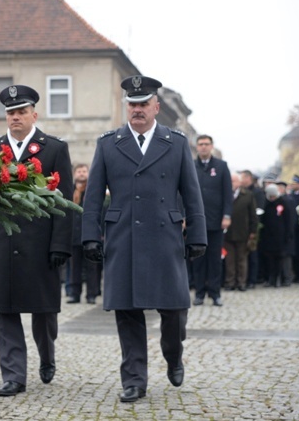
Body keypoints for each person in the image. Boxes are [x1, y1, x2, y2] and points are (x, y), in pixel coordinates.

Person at [82, 75, 206, 402]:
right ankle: (134, 379)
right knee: (127, 311)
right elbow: (93, 195)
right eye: (132, 104)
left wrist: (197, 234)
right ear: (127, 107)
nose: (137, 110)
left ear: (156, 107)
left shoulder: (176, 142)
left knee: (175, 308)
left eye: (143, 104)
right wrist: (90, 236)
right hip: (124, 236)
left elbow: (191, 195)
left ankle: (173, 353)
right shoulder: (108, 143)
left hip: (166, 236)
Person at [0, 84, 73, 397]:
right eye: (11, 113)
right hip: (5, 244)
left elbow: (63, 202)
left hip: (41, 244)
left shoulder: (53, 149)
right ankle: (13, 375)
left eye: (22, 112)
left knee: (43, 312)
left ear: (34, 114)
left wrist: (61, 244)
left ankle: (47, 355)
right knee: (6, 311)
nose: (16, 117)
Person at [192, 134, 232, 306]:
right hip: (196, 221)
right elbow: (182, 192)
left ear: (212, 146)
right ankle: (199, 293)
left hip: (216, 221)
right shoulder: (190, 166)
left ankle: (215, 293)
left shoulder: (221, 166)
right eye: (200, 144)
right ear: (196, 147)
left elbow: (227, 194)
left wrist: (227, 215)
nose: (203, 147)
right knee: (198, 259)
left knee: (215, 259)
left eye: (206, 144)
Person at [66, 163, 101, 304]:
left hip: (90, 234)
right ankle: (74, 293)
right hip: (74, 235)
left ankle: (91, 294)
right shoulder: (70, 191)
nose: (81, 174)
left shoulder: (93, 190)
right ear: (74, 174)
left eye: (84, 171)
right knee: (74, 267)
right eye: (79, 171)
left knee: (92, 266)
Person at [223, 172, 258, 291]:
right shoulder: (224, 193)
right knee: (229, 260)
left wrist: (253, 231)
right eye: (230, 181)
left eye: (234, 181)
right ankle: (230, 282)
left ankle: (241, 282)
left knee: (241, 260)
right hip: (228, 232)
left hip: (243, 232)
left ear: (239, 182)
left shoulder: (247, 195)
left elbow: (253, 215)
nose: (232, 183)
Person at [259, 184, 293, 287]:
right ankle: (270, 278)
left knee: (279, 259)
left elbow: (288, 220)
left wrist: (288, 234)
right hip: (268, 236)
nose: (272, 198)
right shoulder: (267, 204)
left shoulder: (283, 203)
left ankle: (278, 278)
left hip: (280, 236)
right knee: (269, 259)